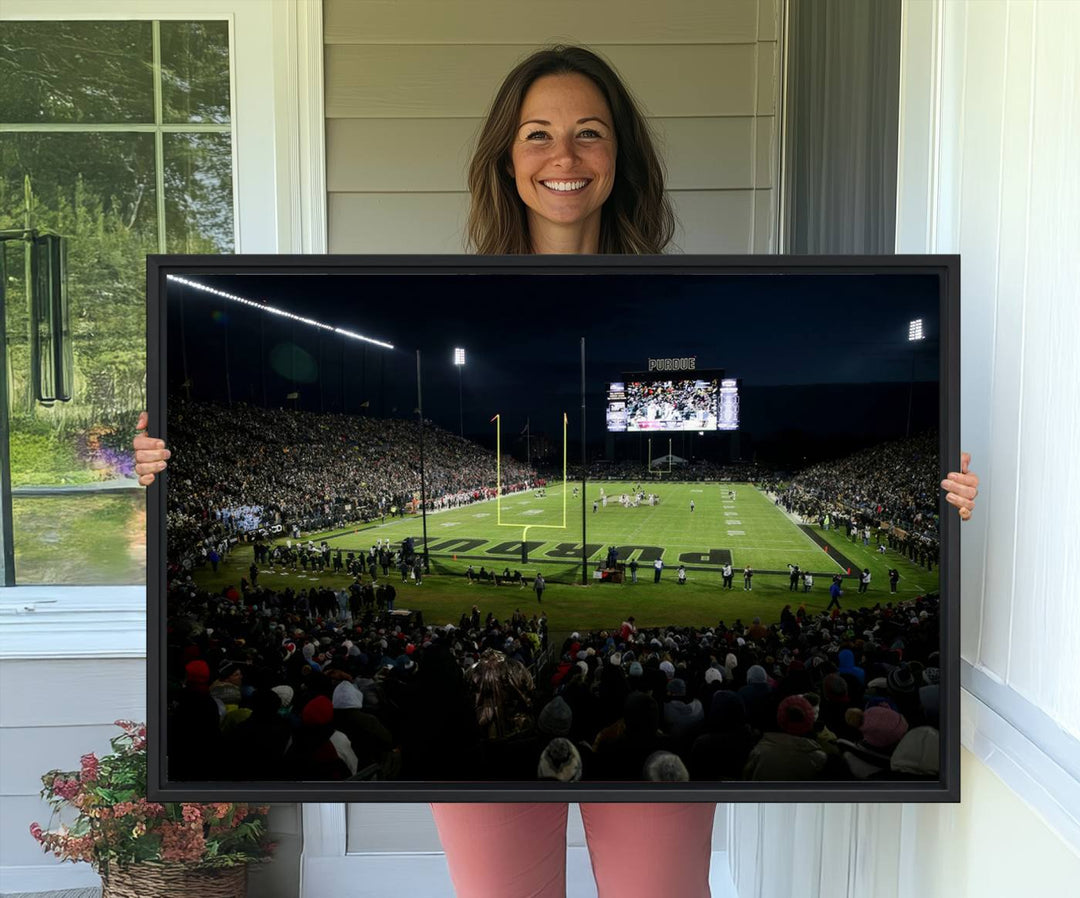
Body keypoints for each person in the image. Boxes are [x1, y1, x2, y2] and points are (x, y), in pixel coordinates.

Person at [133, 44, 982, 898]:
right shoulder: (451, 292)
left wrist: (944, 501)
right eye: (537, 134)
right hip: (476, 703)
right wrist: (169, 460)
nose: (563, 156)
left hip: (630, 711)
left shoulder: (680, 282)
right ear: (506, 157)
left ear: (622, 157)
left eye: (589, 133)